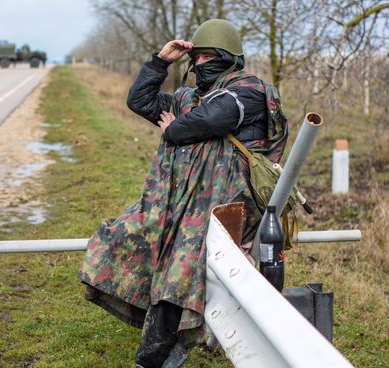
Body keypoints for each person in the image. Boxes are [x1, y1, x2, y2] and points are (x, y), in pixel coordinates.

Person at [78, 19, 288, 368]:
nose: (199, 64)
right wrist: (161, 61)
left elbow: (215, 118)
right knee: (128, 239)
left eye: (206, 57)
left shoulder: (250, 90)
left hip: (227, 210)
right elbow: (140, 100)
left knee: (180, 278)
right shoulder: (190, 97)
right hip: (182, 207)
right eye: (197, 58)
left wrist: (173, 129)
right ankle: (167, 344)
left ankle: (153, 360)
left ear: (226, 58)